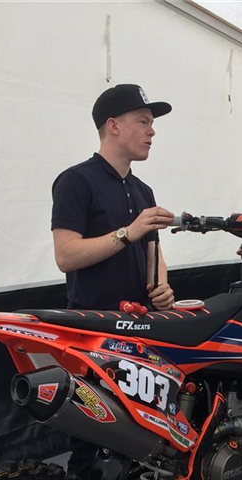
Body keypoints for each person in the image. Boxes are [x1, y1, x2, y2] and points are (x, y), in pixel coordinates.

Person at [51, 83, 176, 311]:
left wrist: (161, 288)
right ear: (113, 126)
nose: (152, 131)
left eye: (152, 123)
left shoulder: (144, 190)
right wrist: (127, 234)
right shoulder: (75, 181)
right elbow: (65, 256)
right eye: (143, 122)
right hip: (93, 323)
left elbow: (153, 254)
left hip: (142, 321)